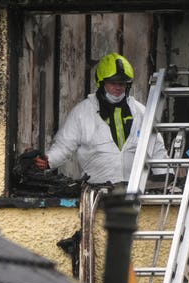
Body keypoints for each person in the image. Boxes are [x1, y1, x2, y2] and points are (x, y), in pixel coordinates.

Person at [34, 52, 167, 185]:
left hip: (134, 190)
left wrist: (165, 176)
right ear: (101, 83)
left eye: (122, 83)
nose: (118, 87)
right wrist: (49, 160)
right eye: (113, 83)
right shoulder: (82, 112)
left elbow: (156, 147)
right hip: (96, 191)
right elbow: (65, 144)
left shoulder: (141, 112)